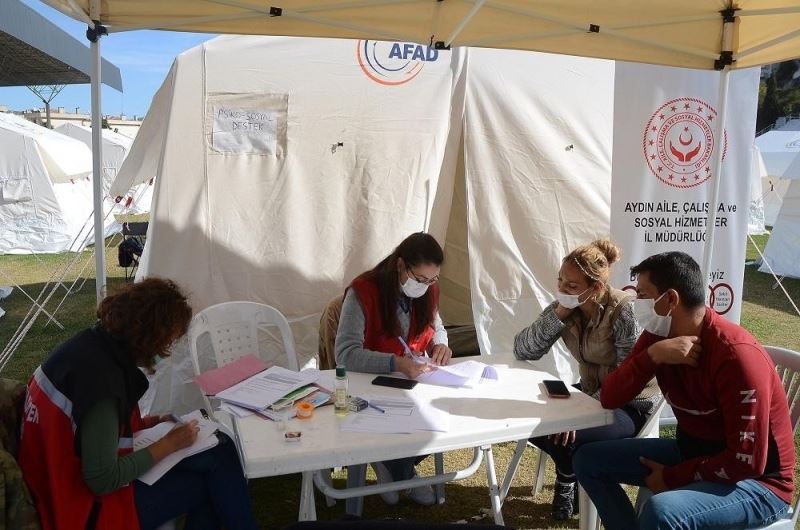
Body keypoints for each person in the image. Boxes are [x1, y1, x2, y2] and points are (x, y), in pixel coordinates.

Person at [573, 252, 795, 530]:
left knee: (662, 511)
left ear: (670, 299)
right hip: (693, 453)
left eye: (643, 294)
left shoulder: (736, 357)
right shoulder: (657, 336)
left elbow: (746, 462)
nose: (636, 301)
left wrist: (673, 476)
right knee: (587, 460)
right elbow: (611, 397)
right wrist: (651, 356)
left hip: (758, 484)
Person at [18, 278, 259, 530]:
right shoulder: (103, 386)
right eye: (167, 343)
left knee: (219, 452)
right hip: (79, 511)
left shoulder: (89, 345)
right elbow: (102, 479)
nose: (165, 352)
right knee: (212, 473)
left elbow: (87, 432)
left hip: (50, 486)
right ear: (150, 337)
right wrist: (168, 444)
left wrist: (151, 423)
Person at [513, 239, 660, 520]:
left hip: (630, 404)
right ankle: (568, 472)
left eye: (571, 286)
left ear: (596, 288)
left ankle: (567, 480)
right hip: (590, 394)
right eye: (560, 281)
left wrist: (579, 412)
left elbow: (629, 379)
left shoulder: (624, 310)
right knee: (527, 420)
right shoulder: (566, 308)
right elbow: (523, 349)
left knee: (567, 434)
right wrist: (558, 315)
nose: (562, 290)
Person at [335, 232, 453, 506]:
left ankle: (392, 465)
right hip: (369, 384)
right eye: (421, 279)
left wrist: (440, 344)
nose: (426, 286)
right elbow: (345, 354)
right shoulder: (363, 291)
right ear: (400, 265)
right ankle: (402, 472)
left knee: (435, 421)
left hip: (410, 380)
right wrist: (395, 362)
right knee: (403, 418)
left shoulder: (427, 289)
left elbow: (438, 326)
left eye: (432, 279)